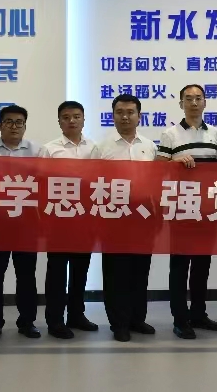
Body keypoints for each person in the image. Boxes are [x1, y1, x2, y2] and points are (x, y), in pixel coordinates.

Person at [157, 84, 217, 340]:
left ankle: (198, 313)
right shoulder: (170, 134)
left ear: (205, 102)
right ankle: (180, 319)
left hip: (207, 209)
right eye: (188, 99)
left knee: (202, 265)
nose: (194, 103)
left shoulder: (216, 134)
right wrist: (174, 162)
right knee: (179, 265)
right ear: (181, 104)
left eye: (198, 98)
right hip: (181, 208)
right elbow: (157, 170)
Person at [91, 94, 157, 342]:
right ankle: (118, 323)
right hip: (113, 217)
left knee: (140, 270)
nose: (125, 117)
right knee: (116, 272)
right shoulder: (102, 148)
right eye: (120, 112)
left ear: (139, 116)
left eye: (130, 112)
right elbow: (92, 183)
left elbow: (156, 182)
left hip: (143, 217)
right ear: (113, 115)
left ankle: (137, 319)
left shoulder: (149, 146)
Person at [0, 105, 41, 342]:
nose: (14, 126)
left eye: (19, 122)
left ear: (25, 126)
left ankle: (27, 322)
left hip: (27, 223)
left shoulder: (38, 152)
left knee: (26, 276)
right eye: (8, 122)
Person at [37, 101, 98, 340]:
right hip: (58, 218)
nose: (71, 121)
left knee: (80, 271)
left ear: (83, 119)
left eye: (76, 116)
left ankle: (76, 315)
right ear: (59, 121)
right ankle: (54, 320)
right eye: (66, 117)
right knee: (57, 272)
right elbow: (41, 184)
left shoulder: (94, 148)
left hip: (85, 218)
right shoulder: (49, 149)